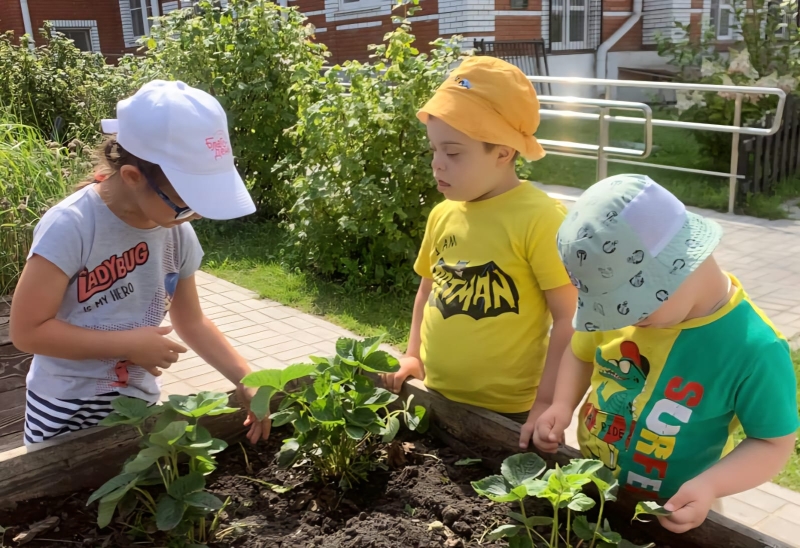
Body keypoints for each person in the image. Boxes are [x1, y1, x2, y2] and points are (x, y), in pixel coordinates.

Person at [529, 173, 798, 533]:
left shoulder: (754, 349)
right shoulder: (629, 315)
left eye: (631, 308)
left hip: (677, 508)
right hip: (592, 487)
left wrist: (710, 486)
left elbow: (772, 442)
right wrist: (561, 404)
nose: (625, 321)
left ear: (680, 266)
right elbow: (580, 354)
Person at [10, 80, 270, 446]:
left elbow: (191, 320)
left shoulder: (175, 232)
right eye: (186, 204)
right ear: (133, 177)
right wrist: (127, 344)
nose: (191, 217)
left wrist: (244, 376)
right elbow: (27, 331)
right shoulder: (72, 225)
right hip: (65, 407)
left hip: (137, 400)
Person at [381, 57, 578, 425]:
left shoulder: (541, 218)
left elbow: (568, 319)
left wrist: (547, 402)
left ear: (503, 152)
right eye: (434, 150)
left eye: (453, 152)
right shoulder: (443, 214)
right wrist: (413, 356)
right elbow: (427, 293)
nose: (437, 164)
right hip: (434, 394)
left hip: (509, 412)